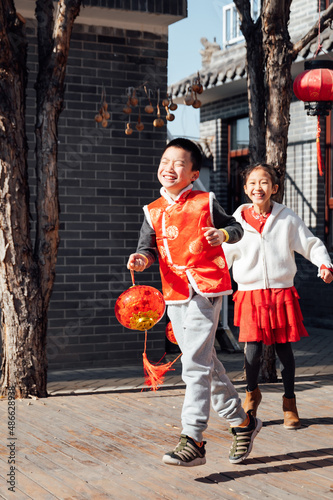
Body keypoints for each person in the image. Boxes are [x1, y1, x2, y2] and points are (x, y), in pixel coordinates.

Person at [127, 138, 262, 467]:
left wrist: (224, 236)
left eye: (178, 163)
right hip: (174, 293)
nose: (169, 168)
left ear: (193, 173)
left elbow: (236, 227)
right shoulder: (152, 211)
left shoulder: (205, 201)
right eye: (165, 161)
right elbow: (148, 248)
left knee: (194, 367)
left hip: (205, 288)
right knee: (205, 364)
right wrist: (141, 261)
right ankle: (243, 423)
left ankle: (193, 439)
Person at [223, 163, 333, 430]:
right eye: (252, 183)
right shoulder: (235, 221)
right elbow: (222, 257)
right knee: (252, 351)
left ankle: (290, 403)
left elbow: (310, 243)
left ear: (274, 188)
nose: (257, 188)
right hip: (249, 293)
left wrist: (324, 264)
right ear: (246, 188)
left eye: (264, 183)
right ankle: (251, 394)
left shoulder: (287, 217)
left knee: (285, 350)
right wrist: (207, 283)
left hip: (281, 292)